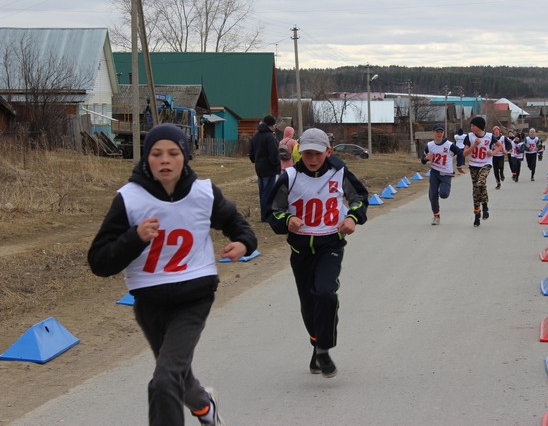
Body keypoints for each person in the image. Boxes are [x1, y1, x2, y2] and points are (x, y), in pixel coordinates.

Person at [88, 123, 257, 426]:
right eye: (156, 153)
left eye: (173, 153)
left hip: (194, 297)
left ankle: (202, 406)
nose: (165, 160)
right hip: (149, 301)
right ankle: (205, 405)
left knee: (164, 379)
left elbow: (236, 223)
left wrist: (243, 243)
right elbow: (99, 261)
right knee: (176, 375)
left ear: (185, 157)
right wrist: (134, 237)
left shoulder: (203, 193)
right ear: (146, 160)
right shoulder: (129, 199)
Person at [266, 128, 368, 378]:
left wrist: (353, 217)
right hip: (300, 249)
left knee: (325, 293)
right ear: (299, 151)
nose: (312, 160)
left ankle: (324, 348)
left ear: (328, 152)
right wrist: (287, 219)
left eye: (318, 154)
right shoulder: (289, 176)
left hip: (330, 244)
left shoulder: (340, 171)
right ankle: (316, 345)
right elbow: (273, 210)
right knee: (308, 304)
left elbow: (360, 198)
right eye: (307, 153)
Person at [421, 123, 465, 225]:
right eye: (437, 132)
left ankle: (442, 189)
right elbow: (422, 160)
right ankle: (436, 216)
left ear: (443, 133)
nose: (439, 134)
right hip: (434, 172)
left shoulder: (449, 145)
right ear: (433, 133)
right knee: (433, 195)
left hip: (446, 173)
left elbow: (460, 153)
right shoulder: (429, 146)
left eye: (441, 132)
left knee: (444, 194)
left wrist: (459, 165)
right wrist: (426, 158)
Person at [463, 117, 501, 227]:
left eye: (473, 126)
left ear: (479, 127)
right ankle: (477, 214)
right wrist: (474, 145)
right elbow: (465, 153)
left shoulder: (489, 136)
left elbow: (500, 146)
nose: (471, 128)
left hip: (485, 164)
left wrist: (493, 153)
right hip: (473, 165)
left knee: (481, 182)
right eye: (471, 126)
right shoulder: (469, 137)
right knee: (476, 190)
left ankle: (484, 205)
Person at [248, 115, 281, 221]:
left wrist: (256, 161)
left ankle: (264, 215)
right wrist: (276, 164)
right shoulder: (269, 137)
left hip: (259, 168)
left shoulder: (256, 136)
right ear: (272, 124)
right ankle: (266, 216)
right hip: (269, 168)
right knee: (268, 192)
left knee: (262, 192)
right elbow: (274, 153)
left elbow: (251, 153)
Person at [490, 125, 510, 190]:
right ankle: (498, 183)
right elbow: (488, 146)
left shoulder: (503, 138)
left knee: (501, 166)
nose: (496, 132)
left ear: (499, 131)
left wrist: (506, 150)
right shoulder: (491, 138)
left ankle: (502, 174)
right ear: (493, 132)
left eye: (497, 130)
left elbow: (509, 144)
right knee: (495, 170)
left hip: (501, 155)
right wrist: (492, 149)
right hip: (494, 156)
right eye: (495, 131)